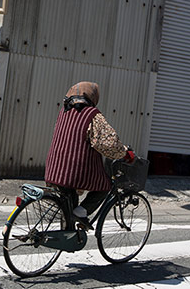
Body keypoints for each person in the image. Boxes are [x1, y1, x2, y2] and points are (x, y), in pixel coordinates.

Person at [44, 81, 135, 229]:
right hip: (74, 171)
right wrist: (124, 153)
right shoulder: (92, 115)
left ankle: (69, 235)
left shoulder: (64, 112)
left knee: (69, 206)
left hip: (54, 168)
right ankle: (81, 213)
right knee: (105, 186)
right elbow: (108, 143)